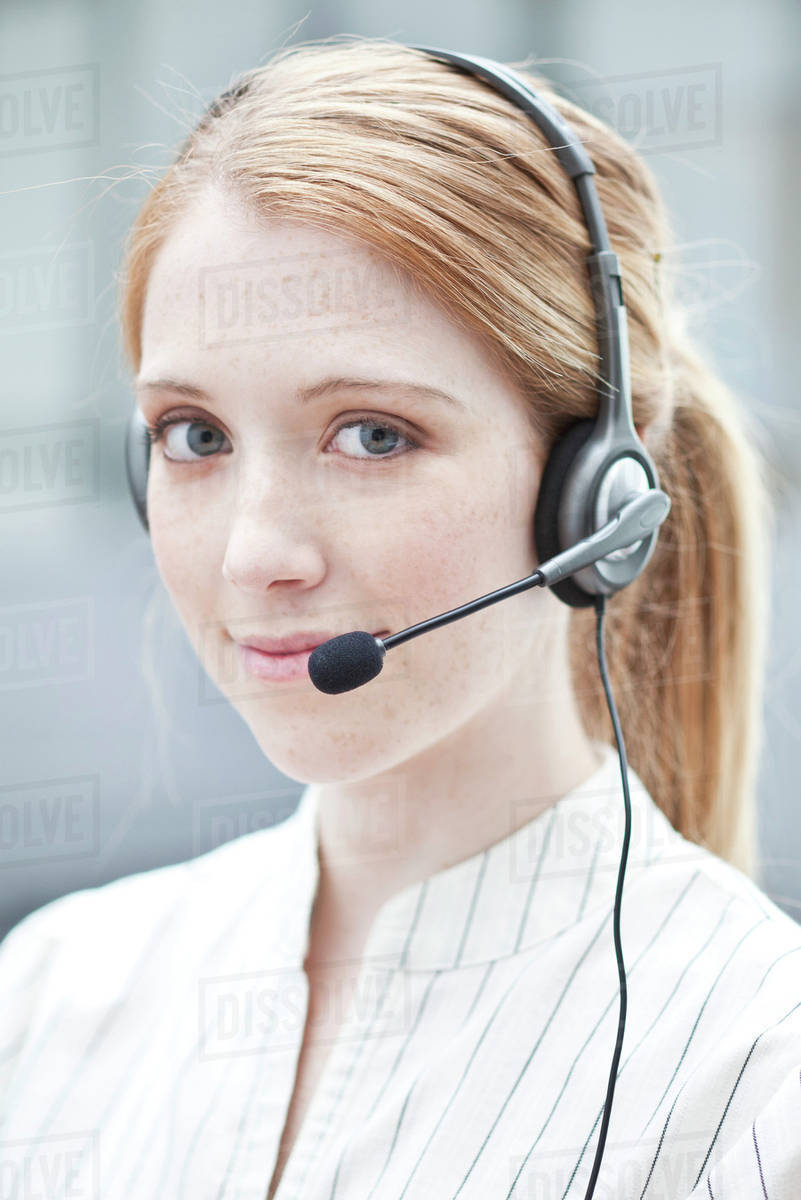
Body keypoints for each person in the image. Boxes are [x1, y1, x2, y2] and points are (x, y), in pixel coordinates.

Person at [1, 35, 799, 1200]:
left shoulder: (755, 1079)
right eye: (195, 436)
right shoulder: (49, 1003)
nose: (254, 554)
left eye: (373, 436)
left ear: (593, 494)